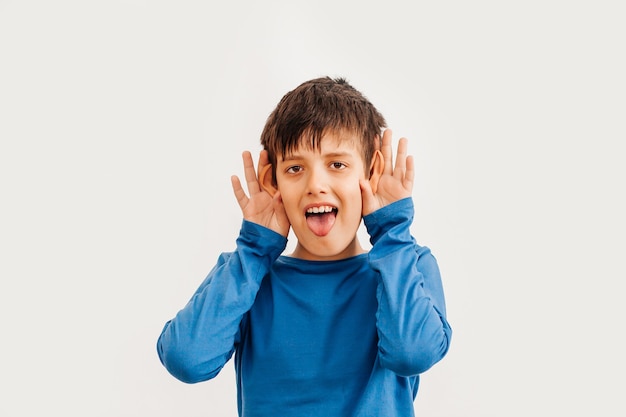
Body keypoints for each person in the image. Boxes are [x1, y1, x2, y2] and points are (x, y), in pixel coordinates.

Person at [157, 76, 452, 416]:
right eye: (295, 168)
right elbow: (187, 359)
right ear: (273, 182)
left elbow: (412, 353)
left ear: (371, 173)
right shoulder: (248, 275)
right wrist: (254, 250)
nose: (316, 185)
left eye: (337, 165)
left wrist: (391, 231)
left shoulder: (408, 264)